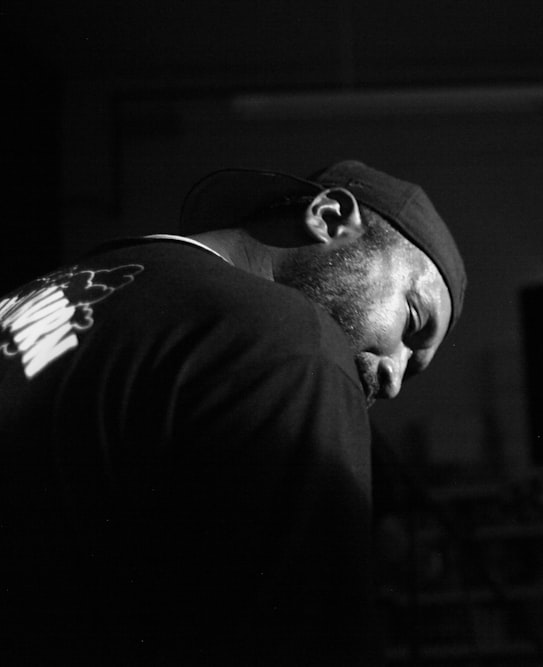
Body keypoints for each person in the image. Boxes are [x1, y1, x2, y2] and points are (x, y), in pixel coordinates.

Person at [0, 160, 466, 666]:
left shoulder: (47, 293)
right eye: (412, 321)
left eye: (411, 370)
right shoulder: (291, 340)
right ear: (329, 217)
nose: (394, 378)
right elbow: (308, 639)